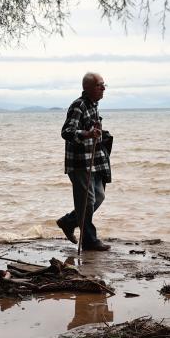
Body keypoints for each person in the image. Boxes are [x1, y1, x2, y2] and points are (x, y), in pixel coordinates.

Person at [57, 72, 112, 251]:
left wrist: (99, 134)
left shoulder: (93, 105)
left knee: (99, 197)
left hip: (94, 161)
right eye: (100, 85)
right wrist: (87, 134)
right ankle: (89, 240)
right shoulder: (78, 105)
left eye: (104, 85)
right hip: (80, 163)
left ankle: (68, 221)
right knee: (87, 202)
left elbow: (90, 130)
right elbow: (67, 132)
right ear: (87, 88)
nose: (103, 88)